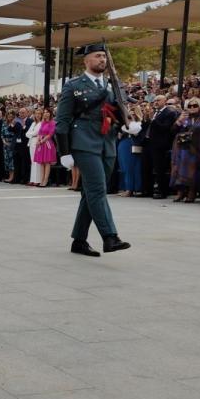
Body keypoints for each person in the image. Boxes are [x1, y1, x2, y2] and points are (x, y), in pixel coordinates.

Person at [55, 43, 138, 256]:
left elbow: (118, 112)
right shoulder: (73, 85)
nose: (103, 60)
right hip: (83, 142)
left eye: (105, 56)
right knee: (98, 190)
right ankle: (110, 237)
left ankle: (79, 241)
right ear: (86, 60)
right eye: (98, 56)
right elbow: (62, 121)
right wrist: (64, 152)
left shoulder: (113, 85)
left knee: (90, 193)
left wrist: (129, 124)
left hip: (107, 142)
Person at [33, 108, 57, 187]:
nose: (46, 113)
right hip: (41, 143)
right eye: (44, 112)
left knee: (47, 162)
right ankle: (42, 179)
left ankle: (45, 180)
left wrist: (42, 141)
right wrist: (38, 140)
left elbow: (50, 134)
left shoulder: (52, 122)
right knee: (42, 162)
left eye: (47, 112)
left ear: (50, 113)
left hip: (47, 144)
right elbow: (40, 132)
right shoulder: (43, 122)